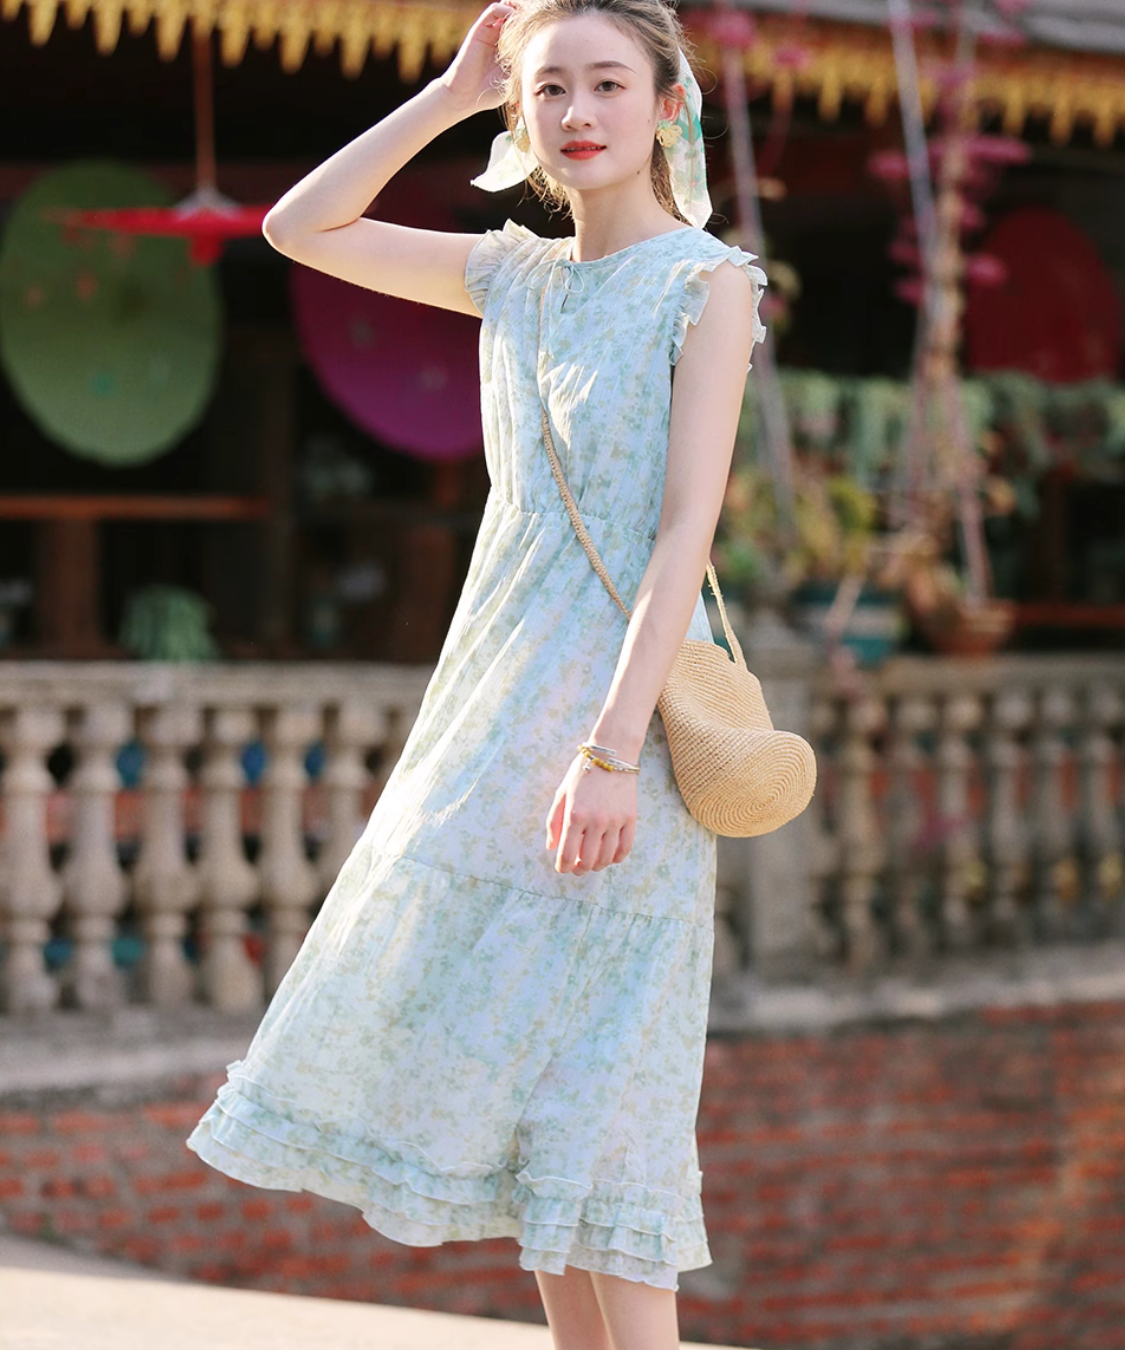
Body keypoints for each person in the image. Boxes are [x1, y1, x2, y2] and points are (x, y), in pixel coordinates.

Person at [186, 2, 766, 1347]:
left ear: (667, 103)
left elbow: (685, 530)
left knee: (610, 1114)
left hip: (620, 734)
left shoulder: (707, 284)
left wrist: (611, 750)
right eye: (550, 87)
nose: (579, 112)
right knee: (529, 1107)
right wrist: (451, 93)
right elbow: (298, 226)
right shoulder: (511, 276)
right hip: (495, 720)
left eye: (609, 83)